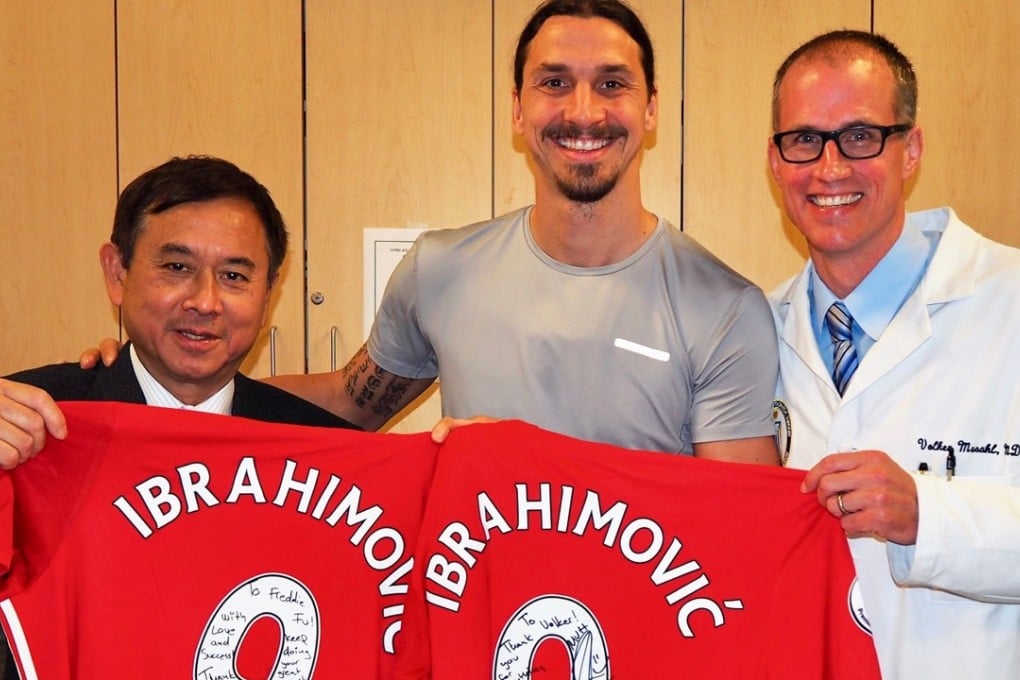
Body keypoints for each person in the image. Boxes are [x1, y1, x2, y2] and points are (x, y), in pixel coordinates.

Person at [245, 0, 778, 462]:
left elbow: (732, 524)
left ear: (651, 109)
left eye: (612, 84)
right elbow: (349, 402)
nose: (585, 112)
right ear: (519, 110)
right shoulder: (438, 270)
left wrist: (531, 465)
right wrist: (185, 406)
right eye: (555, 83)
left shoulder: (724, 309)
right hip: (475, 582)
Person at [768, 30, 1020, 679]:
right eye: (804, 140)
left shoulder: (1008, 303)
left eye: (860, 136)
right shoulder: (750, 333)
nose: (829, 168)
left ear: (911, 150)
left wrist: (927, 516)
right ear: (775, 162)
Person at [0, 155, 358, 467]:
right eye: (177, 267)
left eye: (233, 276)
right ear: (117, 273)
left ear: (268, 294)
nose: (204, 302)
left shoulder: (318, 448)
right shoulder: (26, 420)